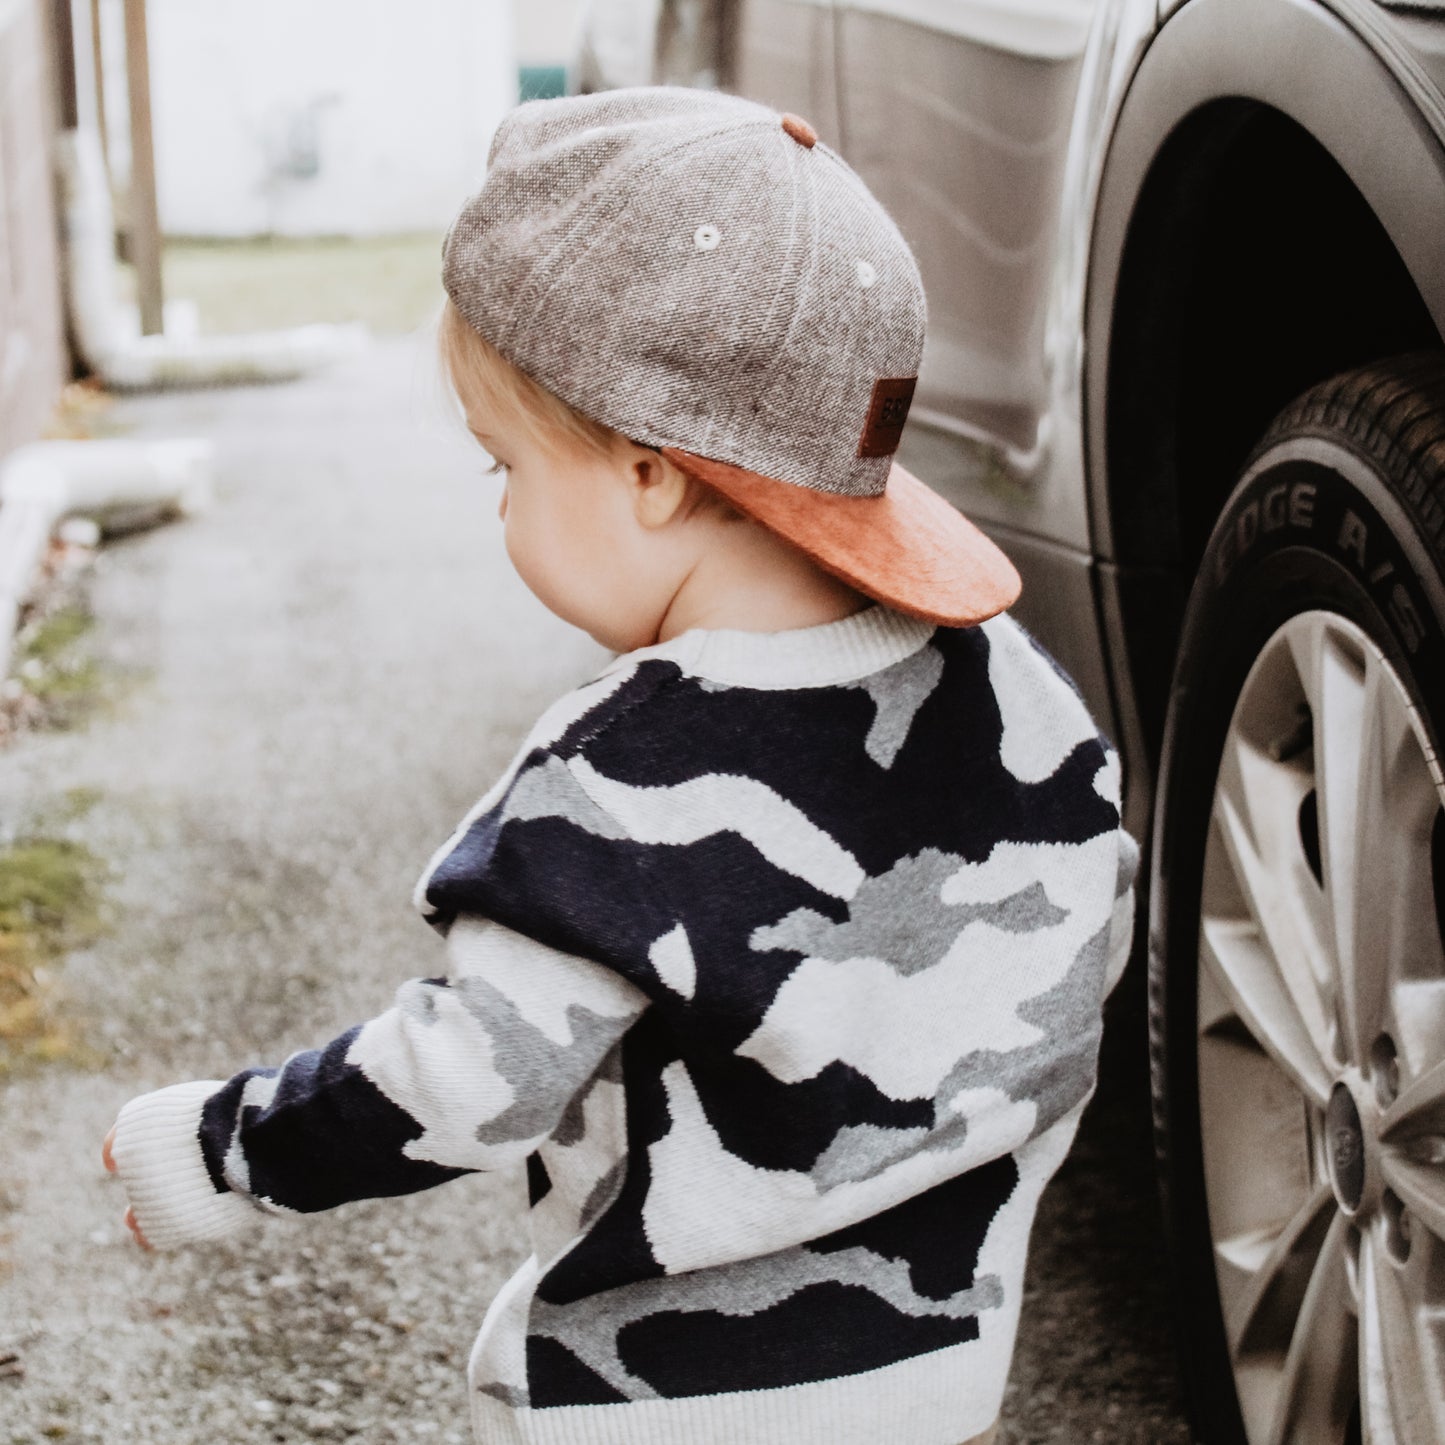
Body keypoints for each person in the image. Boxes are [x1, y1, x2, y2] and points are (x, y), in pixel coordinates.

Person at [104, 86, 1138, 1445]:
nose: (501, 513)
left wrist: (221, 1148)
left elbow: (464, 1078)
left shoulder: (621, 779)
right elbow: (1082, 963)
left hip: (653, 1400)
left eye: (506, 469)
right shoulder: (1017, 691)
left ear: (650, 475)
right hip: (933, 1374)